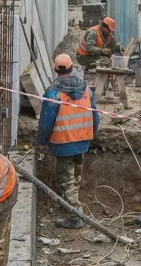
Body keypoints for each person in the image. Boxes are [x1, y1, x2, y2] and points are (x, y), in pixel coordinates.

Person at [36, 54, 100, 229]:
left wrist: (40, 141)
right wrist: (90, 133)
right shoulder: (87, 90)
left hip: (63, 143)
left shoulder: (53, 93)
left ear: (56, 69)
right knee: (75, 177)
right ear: (72, 68)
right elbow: (95, 116)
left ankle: (75, 216)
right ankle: (70, 204)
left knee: (66, 179)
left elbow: (46, 123)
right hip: (82, 141)